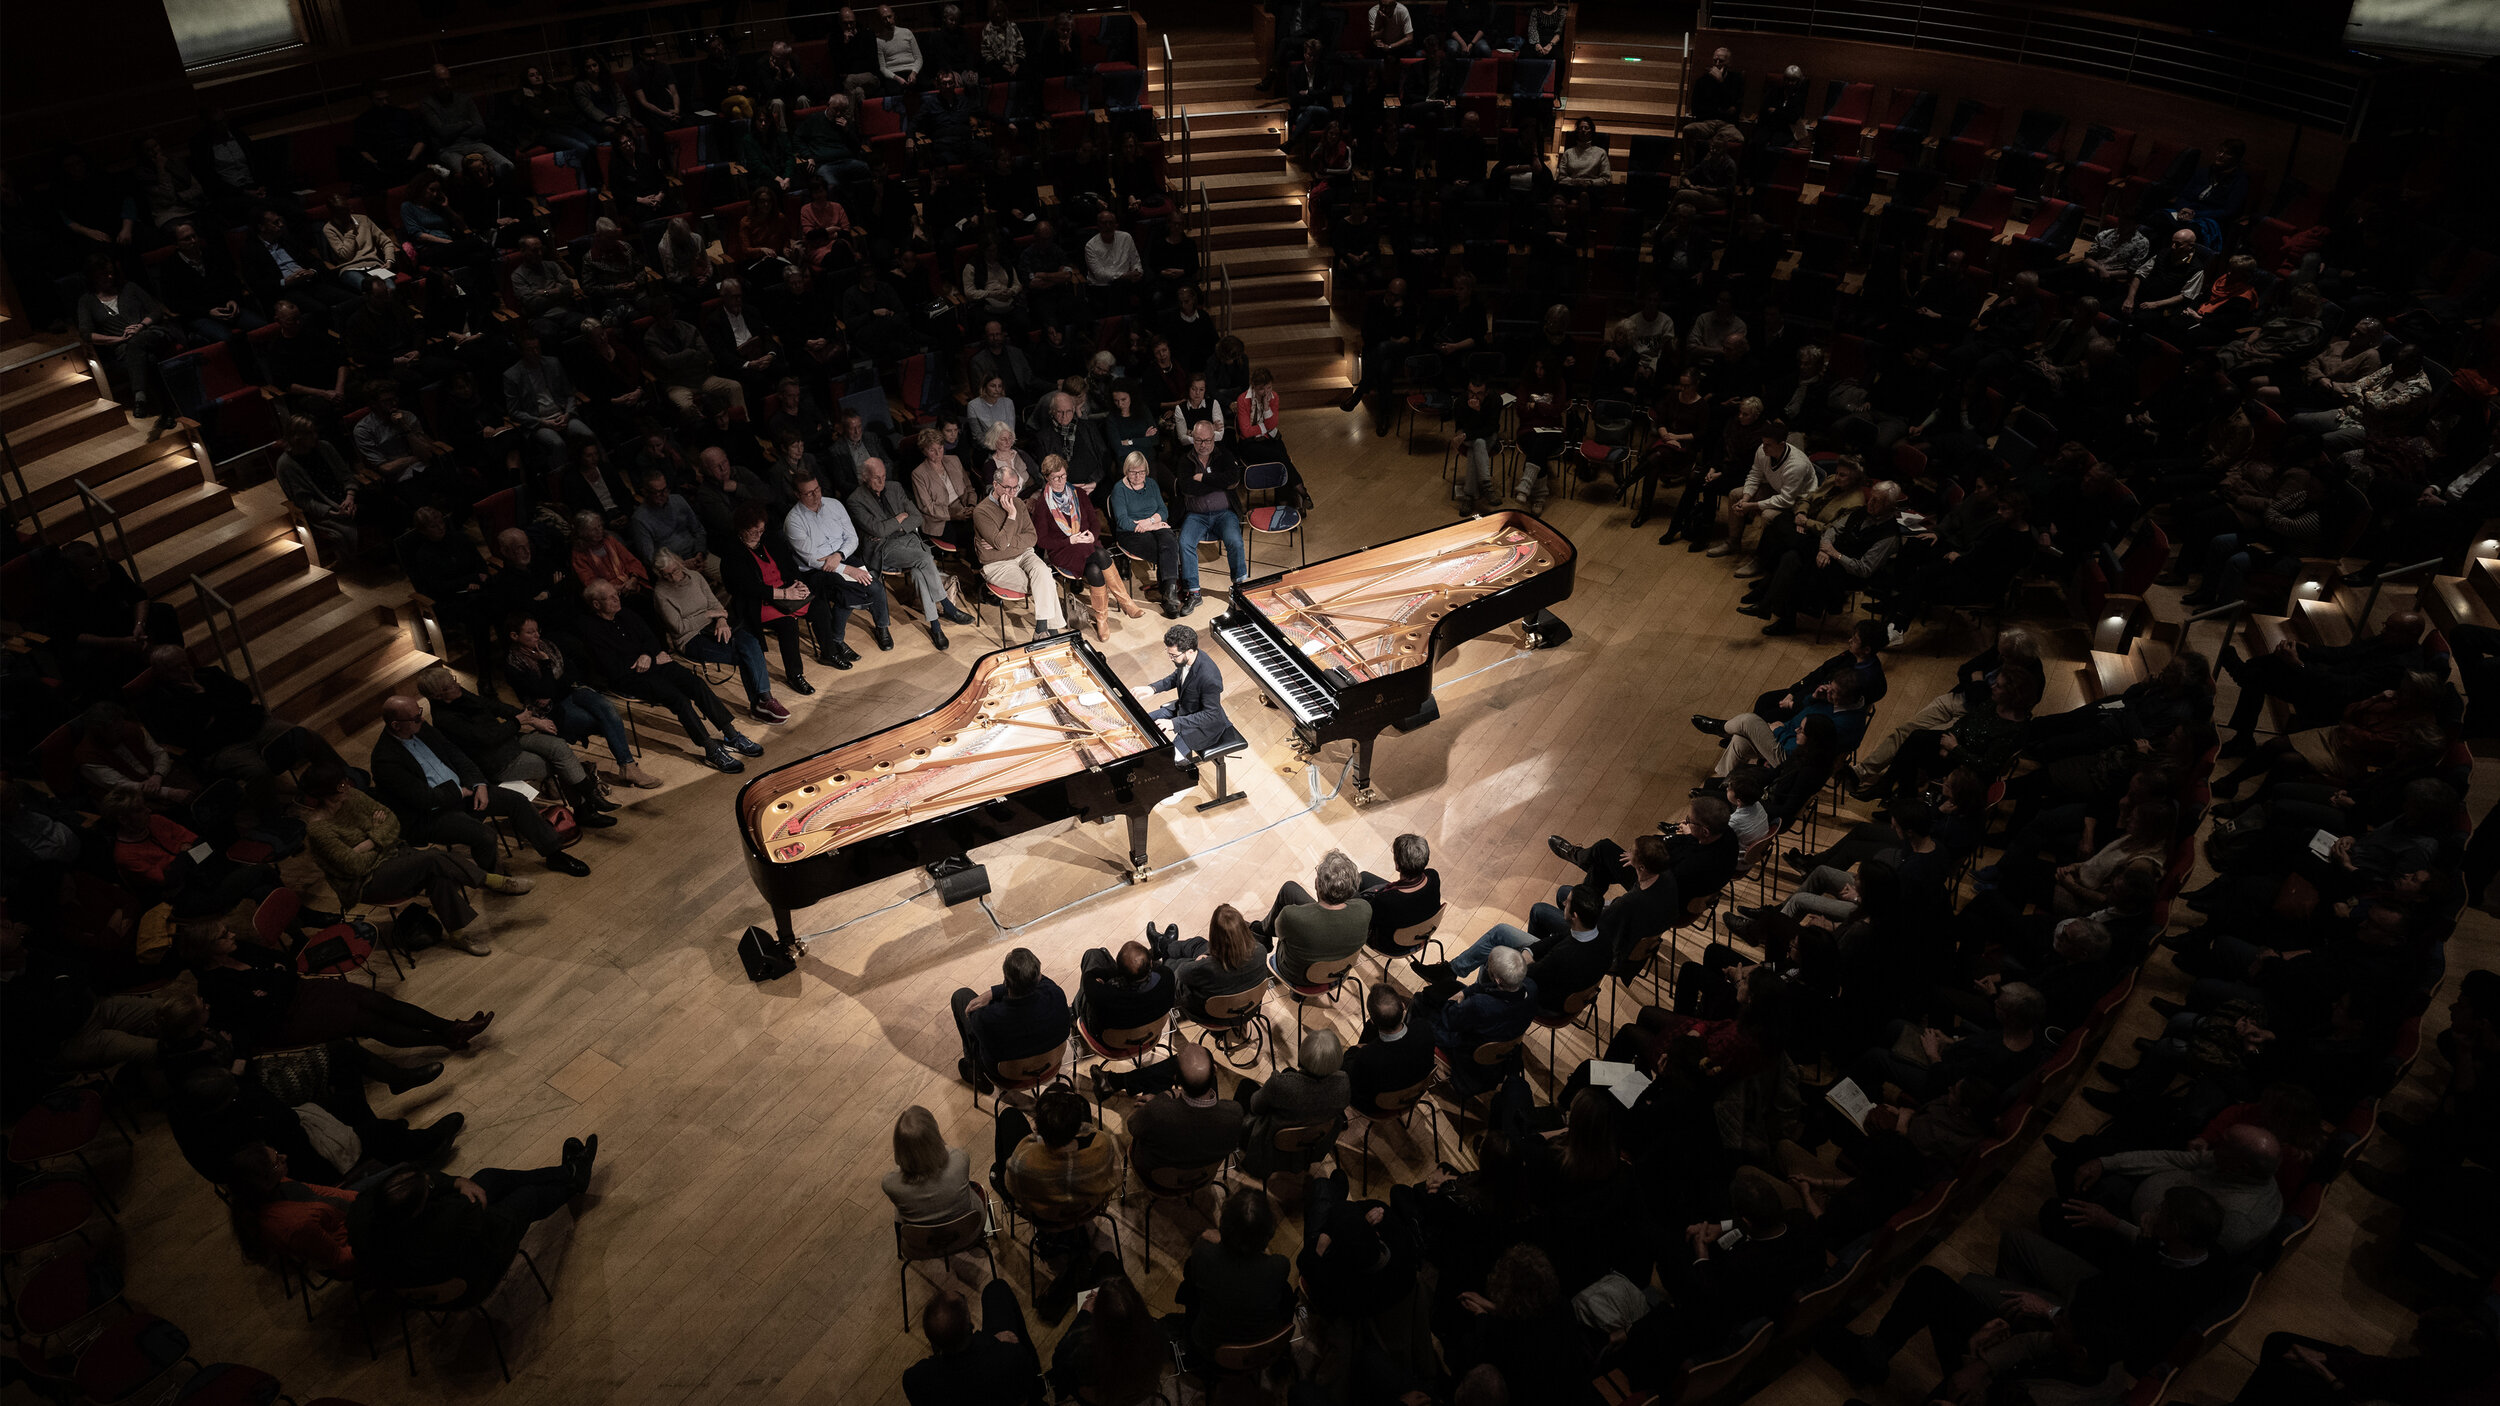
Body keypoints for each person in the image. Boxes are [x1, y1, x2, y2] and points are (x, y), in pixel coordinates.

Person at [177, 916, 489, 1052]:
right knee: (364, 1021)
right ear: (207, 950)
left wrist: (275, 980)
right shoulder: (215, 986)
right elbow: (267, 1009)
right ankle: (443, 1040)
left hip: (301, 992)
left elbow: (285, 964)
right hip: (287, 1021)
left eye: (227, 931)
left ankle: (451, 1027)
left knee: (377, 1001)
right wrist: (276, 979)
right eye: (222, 936)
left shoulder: (241, 949)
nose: (231, 935)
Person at [301, 761, 518, 954]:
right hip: (366, 882)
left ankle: (458, 936)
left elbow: (393, 821)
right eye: (341, 785)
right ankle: (491, 880)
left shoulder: (353, 796)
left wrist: (368, 843)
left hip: (395, 857)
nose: (347, 787)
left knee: (437, 872)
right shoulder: (319, 830)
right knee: (432, 858)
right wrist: (379, 838)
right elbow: (355, 866)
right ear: (325, 793)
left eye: (346, 782)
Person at [370, 695, 591, 878]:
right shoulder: (385, 760)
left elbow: (456, 755)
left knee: (517, 801)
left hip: (466, 791)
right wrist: (461, 792)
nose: (421, 719)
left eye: (420, 713)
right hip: (432, 814)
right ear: (396, 725)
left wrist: (478, 784)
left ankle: (554, 854)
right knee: (483, 834)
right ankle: (494, 878)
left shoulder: (420, 727)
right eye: (415, 718)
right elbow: (423, 799)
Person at [345, 1138, 598, 1294]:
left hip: (424, 1263)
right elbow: (478, 1220)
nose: (430, 1182)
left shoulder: (362, 1211)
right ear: (417, 1210)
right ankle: (573, 1183)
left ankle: (568, 1172)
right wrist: (467, 1198)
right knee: (527, 1197)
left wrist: (455, 1182)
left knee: (489, 1177)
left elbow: (430, 1183)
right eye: (427, 1189)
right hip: (472, 1267)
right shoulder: (446, 1220)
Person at [576, 578, 762, 774]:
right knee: (678, 698)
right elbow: (611, 667)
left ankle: (731, 735)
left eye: (616, 594)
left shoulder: (627, 614)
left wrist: (648, 655)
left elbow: (651, 638)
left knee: (696, 683)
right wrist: (647, 658)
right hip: (630, 677)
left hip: (653, 663)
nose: (617, 599)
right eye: (610, 597)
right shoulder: (590, 630)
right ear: (596, 604)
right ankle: (710, 748)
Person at [414, 665, 617, 823]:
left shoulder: (457, 694)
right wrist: (519, 721)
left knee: (557, 745)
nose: (456, 685)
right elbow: (488, 738)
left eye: (454, 680)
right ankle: (586, 809)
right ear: (437, 695)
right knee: (560, 764)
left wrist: (529, 718)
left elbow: (492, 705)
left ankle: (590, 797)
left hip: (511, 740)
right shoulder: (446, 719)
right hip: (500, 762)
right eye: (450, 685)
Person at [784, 466, 897, 659]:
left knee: (875, 587)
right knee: (849, 593)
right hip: (816, 571)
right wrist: (849, 570)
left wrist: (840, 556)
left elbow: (852, 538)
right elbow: (812, 558)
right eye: (809, 493)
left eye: (817, 489)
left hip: (841, 557)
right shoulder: (794, 521)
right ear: (797, 494)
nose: (815, 495)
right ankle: (837, 640)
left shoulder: (834, 504)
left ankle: (882, 627)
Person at [1032, 454, 1145, 640]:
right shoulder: (1043, 504)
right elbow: (1042, 541)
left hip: (1087, 543)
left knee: (1094, 569)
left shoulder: (1078, 493)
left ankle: (1102, 620)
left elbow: (1094, 523)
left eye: (1063, 476)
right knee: (1100, 554)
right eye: (1055, 478)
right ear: (1047, 478)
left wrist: (1093, 534)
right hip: (1064, 550)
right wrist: (1070, 541)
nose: (1060, 481)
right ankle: (1125, 602)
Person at [1179, 1188, 1295, 1360]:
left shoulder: (1203, 1254)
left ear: (1224, 1224)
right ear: (1268, 1233)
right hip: (1263, 1347)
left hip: (1211, 1346)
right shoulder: (1279, 1265)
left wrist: (1210, 1238)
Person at [951, 946, 1070, 1092]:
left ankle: (973, 1070)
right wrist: (995, 992)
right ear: (1038, 977)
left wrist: (994, 993)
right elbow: (1044, 981)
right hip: (1051, 1063)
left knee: (961, 996)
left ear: (1006, 982)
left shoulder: (988, 1018)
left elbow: (971, 1013)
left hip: (1006, 1075)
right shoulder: (1055, 994)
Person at [903, 1283, 1045, 1406]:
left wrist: (989, 1342)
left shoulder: (914, 1380)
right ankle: (1041, 1380)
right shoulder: (1010, 1357)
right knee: (996, 1289)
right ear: (971, 1326)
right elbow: (1023, 1401)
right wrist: (992, 1343)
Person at [973, 455, 1068, 635]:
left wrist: (1006, 541)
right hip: (997, 564)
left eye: (1015, 488)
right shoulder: (981, 511)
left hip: (1024, 555)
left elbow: (1032, 538)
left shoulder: (1018, 503)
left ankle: (1041, 628)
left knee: (1042, 572)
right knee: (1046, 582)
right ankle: (1052, 631)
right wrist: (1011, 515)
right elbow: (1000, 544)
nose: (1012, 493)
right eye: (1007, 488)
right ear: (995, 485)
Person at [1239, 1029, 1351, 1179]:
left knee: (1245, 1086)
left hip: (1271, 1142)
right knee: (1288, 1070)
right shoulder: (1343, 1083)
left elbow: (1256, 1106)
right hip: (1315, 1141)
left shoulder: (1280, 1085)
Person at [1123, 1042, 1246, 1179]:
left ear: (1176, 1079)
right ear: (1215, 1070)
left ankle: (1120, 1081)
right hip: (1202, 1176)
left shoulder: (1156, 1112)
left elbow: (1132, 1126)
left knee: (1155, 1084)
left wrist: (1166, 1096)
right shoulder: (1235, 1113)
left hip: (1158, 1178)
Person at [1173, 419, 1246, 611]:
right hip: (1196, 515)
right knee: (1184, 543)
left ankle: (1239, 587)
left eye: (1207, 440)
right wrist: (1217, 482)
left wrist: (1203, 478)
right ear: (1192, 439)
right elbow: (1187, 487)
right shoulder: (1185, 460)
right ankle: (1194, 592)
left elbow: (1232, 479)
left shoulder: (1225, 455)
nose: (1203, 445)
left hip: (1224, 513)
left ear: (1214, 438)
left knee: (1235, 542)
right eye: (1198, 440)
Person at [1106, 452, 1183, 618]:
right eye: (1133, 472)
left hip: (1151, 524)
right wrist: (1151, 526)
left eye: (1141, 472)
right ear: (1126, 471)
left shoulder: (1152, 484)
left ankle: (1169, 593)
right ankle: (1169, 591)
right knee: (1163, 550)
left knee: (1169, 540)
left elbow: (1163, 510)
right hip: (1130, 532)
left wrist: (1151, 522)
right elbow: (1122, 521)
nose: (1138, 476)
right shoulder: (1119, 489)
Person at [1144, 624, 1234, 762]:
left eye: (1174, 655)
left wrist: (1173, 723)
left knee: (1166, 761)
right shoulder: (1187, 659)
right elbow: (1176, 677)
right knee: (1143, 722)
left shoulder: (1209, 677)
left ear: (1190, 651)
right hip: (1185, 708)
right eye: (1169, 654)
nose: (1170, 658)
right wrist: (1152, 688)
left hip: (1203, 727)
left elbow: (1211, 714)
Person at [885, 1105, 982, 1224]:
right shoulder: (960, 1159)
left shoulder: (890, 1184)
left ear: (899, 1147)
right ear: (934, 1136)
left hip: (923, 1241)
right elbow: (947, 1151)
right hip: (969, 1230)